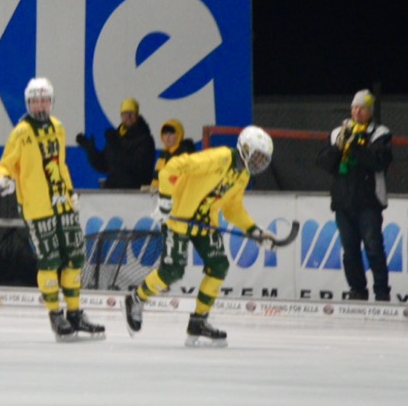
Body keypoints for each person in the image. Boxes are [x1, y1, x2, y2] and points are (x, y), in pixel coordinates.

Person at [124, 125, 275, 347]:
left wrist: (254, 231)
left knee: (219, 266)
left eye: (263, 159)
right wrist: (165, 201)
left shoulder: (242, 175)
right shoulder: (219, 158)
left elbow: (232, 208)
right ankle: (135, 299)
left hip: (205, 222)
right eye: (257, 157)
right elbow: (172, 168)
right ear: (243, 148)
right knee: (172, 271)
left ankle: (198, 321)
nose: (259, 163)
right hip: (179, 217)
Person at [0, 78, 105, 341]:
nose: (40, 105)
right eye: (34, 101)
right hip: (37, 206)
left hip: (62, 202)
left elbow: (60, 164)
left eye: (44, 100)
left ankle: (75, 313)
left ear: (51, 102)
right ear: (28, 103)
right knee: (50, 259)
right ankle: (55, 314)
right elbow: (4, 164)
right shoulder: (21, 132)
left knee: (75, 256)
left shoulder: (57, 127)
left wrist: (70, 192)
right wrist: (3, 178)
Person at [316, 89, 393, 301]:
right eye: (354, 107)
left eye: (362, 108)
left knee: (373, 248)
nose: (357, 112)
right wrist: (339, 147)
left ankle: (381, 292)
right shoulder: (337, 133)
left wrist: (356, 147)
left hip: (369, 202)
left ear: (370, 112)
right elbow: (324, 163)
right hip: (343, 202)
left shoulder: (381, 134)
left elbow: (379, 162)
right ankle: (358, 290)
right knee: (350, 252)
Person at [76, 97, 155, 189]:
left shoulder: (145, 139)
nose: (128, 117)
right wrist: (91, 152)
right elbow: (104, 165)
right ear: (121, 117)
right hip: (113, 192)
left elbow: (138, 167)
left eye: (131, 113)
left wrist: (117, 145)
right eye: (125, 114)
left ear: (137, 115)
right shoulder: (116, 137)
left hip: (136, 193)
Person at [149, 118, 197, 190]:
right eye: (165, 134)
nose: (168, 137)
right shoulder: (163, 153)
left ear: (179, 134)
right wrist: (152, 189)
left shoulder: (185, 152)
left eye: (171, 134)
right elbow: (157, 177)